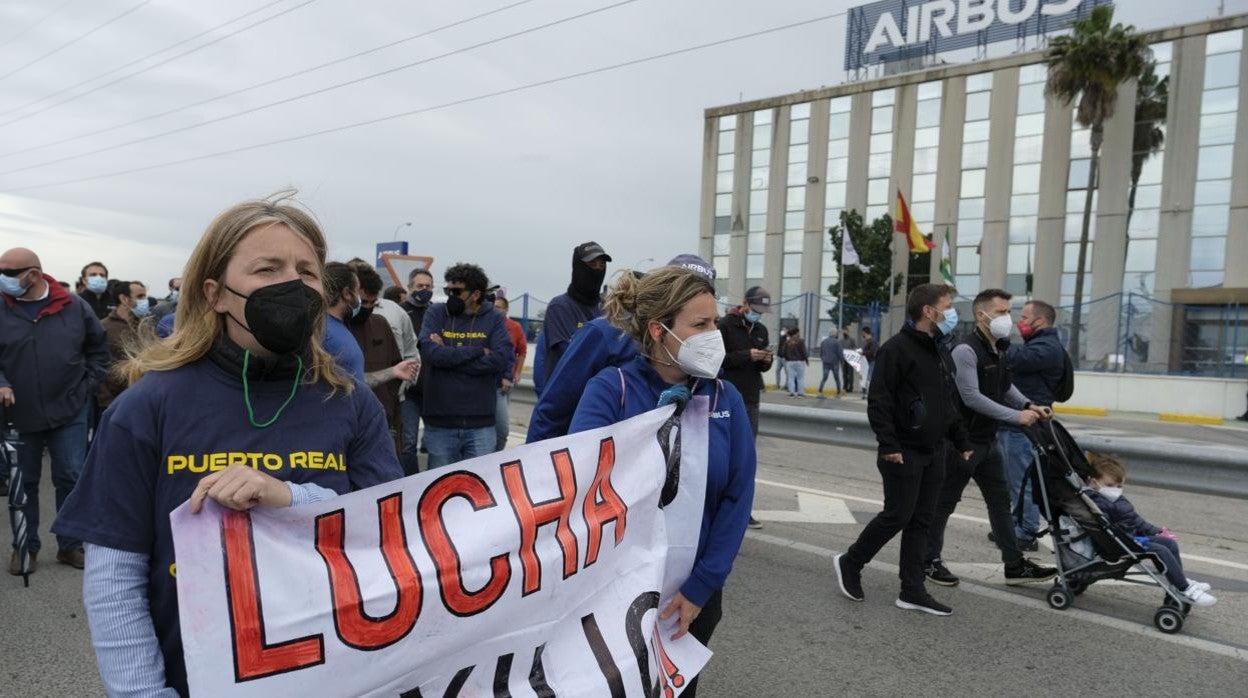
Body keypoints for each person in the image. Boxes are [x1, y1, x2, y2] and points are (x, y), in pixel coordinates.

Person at [52, 195, 404, 696]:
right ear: (215, 293)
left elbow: (387, 536)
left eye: (306, 271)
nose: (291, 284)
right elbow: (114, 580)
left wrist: (289, 499)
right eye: (267, 268)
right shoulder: (147, 406)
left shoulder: (349, 402)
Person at [568, 266, 754, 698]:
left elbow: (737, 498)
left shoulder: (725, 400)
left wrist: (701, 587)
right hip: (612, 594)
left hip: (689, 600)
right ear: (659, 330)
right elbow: (579, 484)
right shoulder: (609, 390)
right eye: (701, 324)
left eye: (716, 323)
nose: (715, 335)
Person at [833, 283, 972, 616]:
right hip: (903, 451)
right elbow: (879, 400)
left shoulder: (940, 349)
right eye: (948, 305)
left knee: (921, 521)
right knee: (898, 514)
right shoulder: (897, 349)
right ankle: (851, 562)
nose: (952, 312)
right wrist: (889, 443)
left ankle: (912, 590)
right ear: (928, 311)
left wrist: (961, 439)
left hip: (934, 450)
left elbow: (947, 403)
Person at [921, 289, 1057, 589]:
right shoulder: (965, 351)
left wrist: (1027, 405)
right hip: (962, 443)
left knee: (999, 502)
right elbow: (971, 397)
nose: (1007, 318)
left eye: (1009, 311)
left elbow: (1005, 386)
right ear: (981, 315)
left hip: (988, 440)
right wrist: (1015, 417)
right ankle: (928, 560)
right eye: (1000, 312)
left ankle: (1014, 564)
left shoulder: (1000, 348)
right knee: (944, 503)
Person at [528, 254, 717, 444]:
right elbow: (554, 409)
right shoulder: (606, 334)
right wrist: (536, 465)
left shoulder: (706, 359)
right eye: (687, 290)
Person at [0, 248, 108, 573]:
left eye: (7, 271)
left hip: (69, 411)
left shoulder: (74, 306)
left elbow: (98, 350)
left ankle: (71, 546)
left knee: (72, 477)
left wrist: (85, 387)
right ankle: (24, 547)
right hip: (17, 413)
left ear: (32, 274)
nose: (2, 277)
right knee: (23, 482)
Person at [1086, 454, 1216, 607]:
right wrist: (1133, 538)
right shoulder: (1096, 501)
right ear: (1094, 483)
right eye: (1110, 485)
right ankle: (1184, 588)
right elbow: (1107, 527)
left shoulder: (1116, 499)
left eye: (1119, 486)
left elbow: (1135, 520)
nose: (1116, 490)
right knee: (1161, 551)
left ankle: (1178, 581)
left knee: (1169, 543)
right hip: (1119, 543)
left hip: (1131, 538)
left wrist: (1156, 532)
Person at [418, 263, 511, 468]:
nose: (451, 295)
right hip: (439, 422)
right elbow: (431, 354)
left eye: (457, 291)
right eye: (448, 290)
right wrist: (477, 351)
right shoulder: (436, 313)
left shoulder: (494, 317)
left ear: (476, 294)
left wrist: (448, 358)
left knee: (479, 492)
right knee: (440, 490)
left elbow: (499, 359)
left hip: (481, 423)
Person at [1001, 299, 1065, 548]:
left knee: (1022, 483)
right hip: (1015, 424)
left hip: (1025, 428)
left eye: (1024, 318)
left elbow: (1015, 360)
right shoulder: (1040, 344)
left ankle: (1026, 533)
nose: (1019, 322)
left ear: (1040, 321)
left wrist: (997, 339)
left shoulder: (1046, 347)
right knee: (1011, 483)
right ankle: (1013, 528)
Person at [717, 284, 772, 530]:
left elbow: (762, 368)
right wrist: (747, 355)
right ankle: (717, 505)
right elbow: (719, 359)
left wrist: (766, 360)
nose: (758, 314)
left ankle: (743, 509)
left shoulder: (761, 329)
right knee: (723, 457)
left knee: (746, 458)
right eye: (756, 308)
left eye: (762, 310)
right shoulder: (725, 326)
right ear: (745, 304)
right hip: (727, 398)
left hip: (751, 400)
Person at [538, 241, 611, 385]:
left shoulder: (606, 308)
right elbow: (573, 357)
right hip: (565, 398)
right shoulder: (559, 307)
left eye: (601, 265)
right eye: (592, 264)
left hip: (597, 396)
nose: (597, 269)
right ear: (578, 267)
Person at [400, 268, 435, 473]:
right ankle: (410, 485)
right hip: (409, 390)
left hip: (434, 390)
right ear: (410, 287)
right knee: (408, 443)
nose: (424, 290)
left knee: (434, 445)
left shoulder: (438, 313)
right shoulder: (401, 312)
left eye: (428, 286)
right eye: (420, 286)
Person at [98, 281, 149, 411]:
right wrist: (106, 400)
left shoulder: (145, 327)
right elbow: (99, 365)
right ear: (124, 299)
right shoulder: (103, 327)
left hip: (143, 398)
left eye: (145, 296)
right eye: (140, 297)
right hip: (113, 402)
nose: (145, 301)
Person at [494, 295, 526, 451]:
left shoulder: (515, 327)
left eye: (499, 307)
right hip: (490, 382)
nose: (496, 310)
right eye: (494, 307)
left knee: (502, 429)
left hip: (505, 382)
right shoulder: (487, 325)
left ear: (506, 310)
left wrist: (517, 373)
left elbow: (521, 352)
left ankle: (495, 456)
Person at [780, 327, 809, 398]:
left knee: (791, 378)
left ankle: (791, 393)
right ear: (796, 333)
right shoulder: (801, 341)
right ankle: (800, 393)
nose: (799, 333)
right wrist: (806, 360)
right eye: (798, 332)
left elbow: (783, 352)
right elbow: (804, 352)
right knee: (800, 378)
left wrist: (787, 358)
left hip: (790, 362)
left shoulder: (787, 342)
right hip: (800, 361)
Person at [818, 327, 844, 398]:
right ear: (835, 334)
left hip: (826, 362)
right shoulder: (837, 342)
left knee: (824, 377)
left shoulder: (824, 341)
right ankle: (838, 393)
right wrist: (842, 361)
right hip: (835, 362)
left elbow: (821, 352)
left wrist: (823, 359)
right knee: (837, 378)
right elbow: (840, 353)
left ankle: (820, 392)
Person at [860, 326, 879, 399]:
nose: (862, 334)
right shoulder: (867, 341)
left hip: (871, 362)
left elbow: (872, 351)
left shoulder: (872, 342)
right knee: (865, 378)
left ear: (865, 332)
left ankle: (868, 393)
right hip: (866, 363)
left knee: (868, 378)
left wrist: (863, 353)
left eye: (863, 333)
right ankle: (865, 393)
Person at [840, 329, 858, 394]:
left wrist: (851, 352)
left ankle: (850, 387)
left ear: (848, 332)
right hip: (843, 359)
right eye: (843, 331)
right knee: (844, 374)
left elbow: (855, 348)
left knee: (850, 374)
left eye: (846, 331)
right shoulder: (841, 341)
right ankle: (845, 386)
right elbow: (840, 349)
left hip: (850, 359)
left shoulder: (851, 340)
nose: (844, 332)